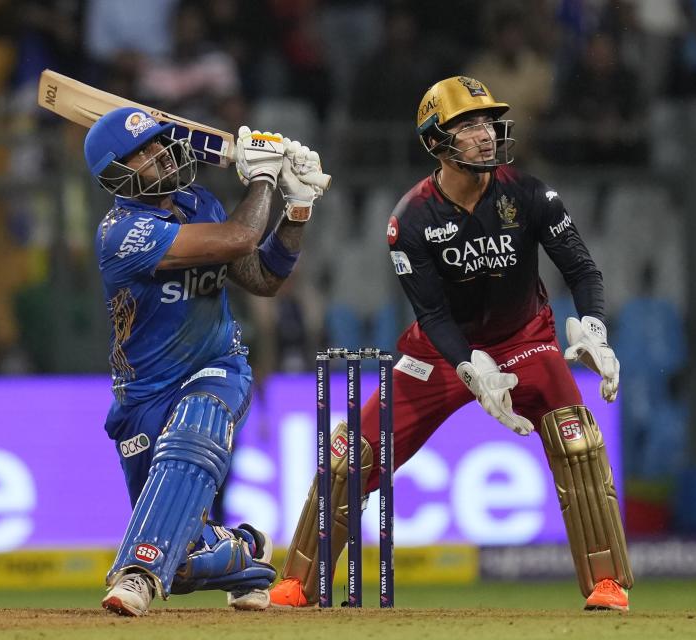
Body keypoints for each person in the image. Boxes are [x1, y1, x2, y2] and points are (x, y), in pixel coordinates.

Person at [269, 76, 633, 611]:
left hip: (524, 341)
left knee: (577, 443)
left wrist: (595, 327)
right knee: (354, 454)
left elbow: (582, 270)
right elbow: (433, 314)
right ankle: (299, 580)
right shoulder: (409, 219)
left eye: (487, 122)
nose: (485, 135)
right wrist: (468, 366)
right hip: (438, 353)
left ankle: (608, 583)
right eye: (468, 126)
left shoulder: (529, 194)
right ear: (437, 142)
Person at [84, 106, 326, 616]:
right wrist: (262, 179)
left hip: (218, 366)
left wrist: (297, 206)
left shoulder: (202, 202)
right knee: (186, 557)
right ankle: (246, 551)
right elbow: (240, 237)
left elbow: (263, 278)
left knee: (196, 426)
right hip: (144, 396)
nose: (161, 154)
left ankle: (138, 572)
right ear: (117, 174)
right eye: (143, 153)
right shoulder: (123, 233)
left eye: (158, 143)